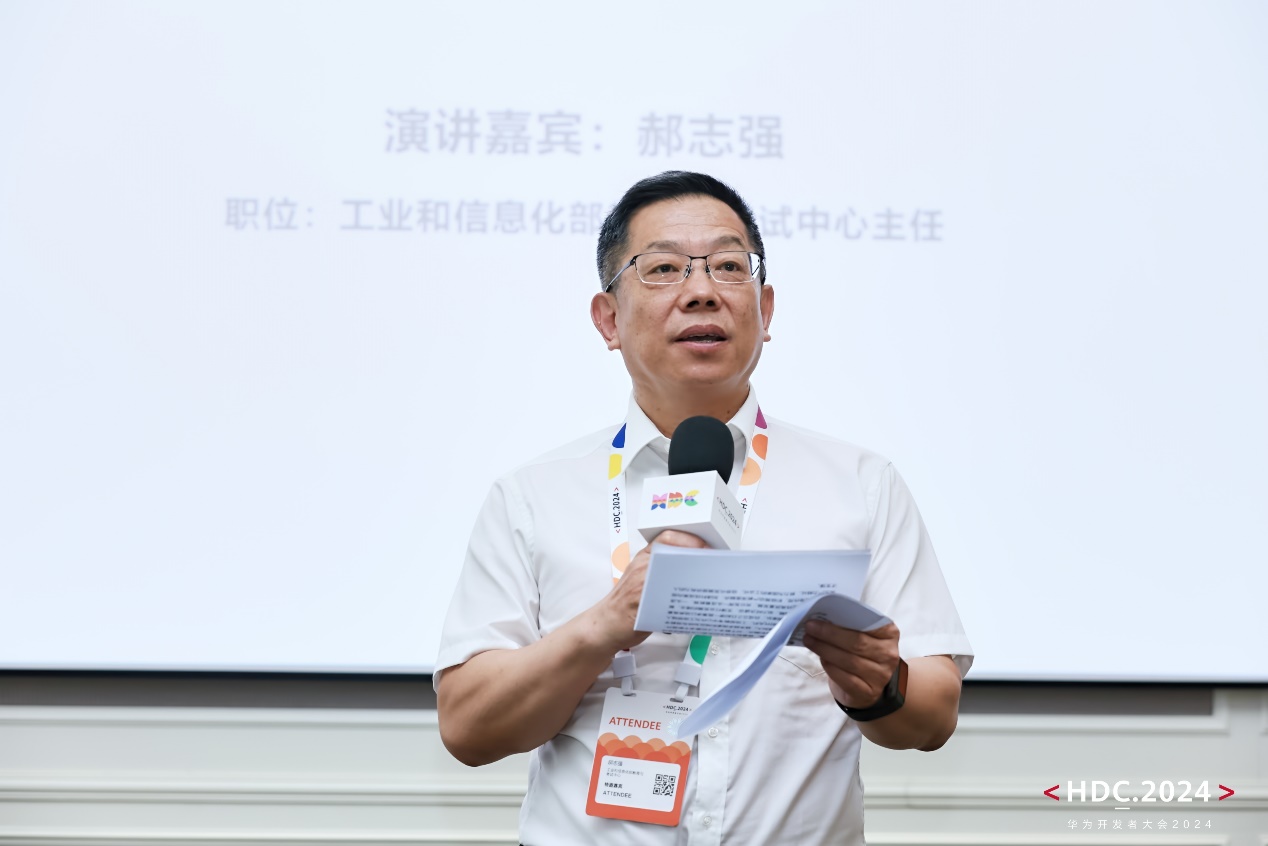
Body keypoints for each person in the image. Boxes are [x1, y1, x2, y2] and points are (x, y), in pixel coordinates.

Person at [435, 171, 973, 845]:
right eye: (663, 268)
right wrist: (606, 624)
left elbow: (934, 715)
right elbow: (468, 727)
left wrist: (881, 685)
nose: (701, 291)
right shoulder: (533, 495)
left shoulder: (861, 484)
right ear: (608, 319)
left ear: (765, 311)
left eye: (728, 266)